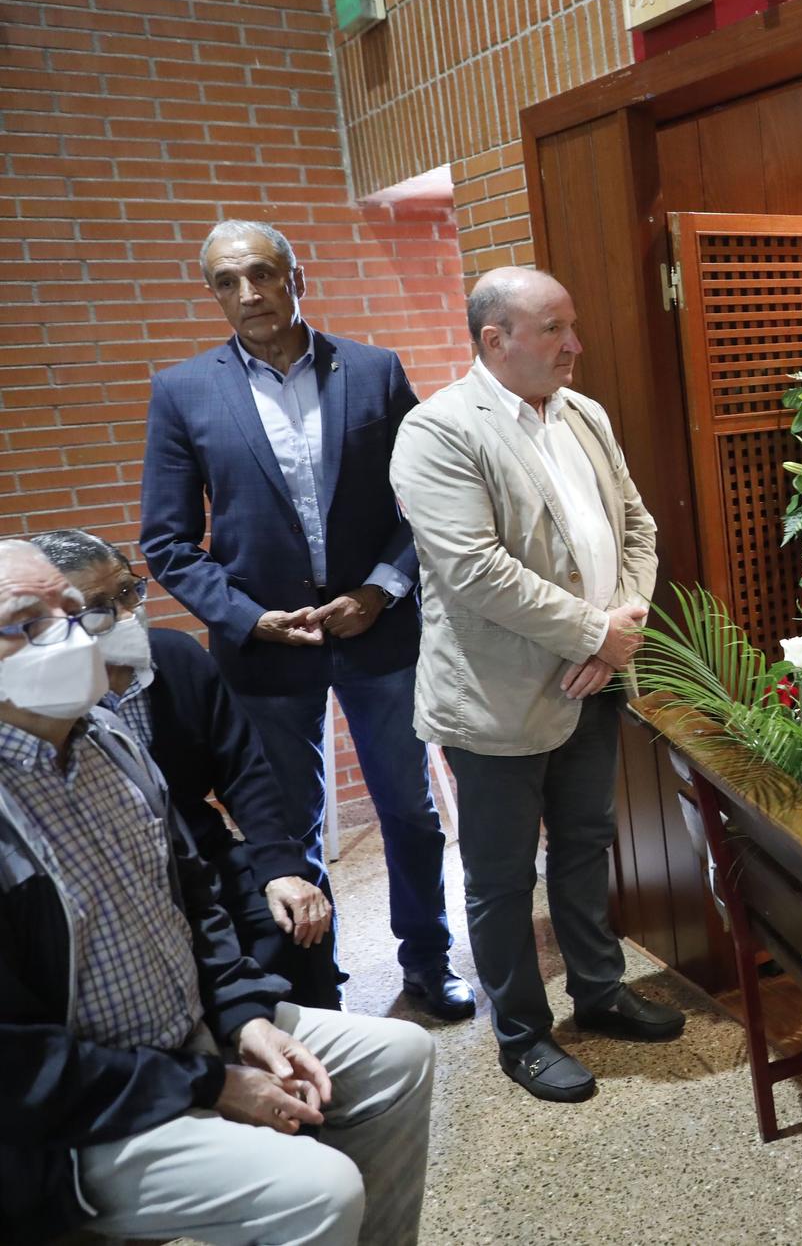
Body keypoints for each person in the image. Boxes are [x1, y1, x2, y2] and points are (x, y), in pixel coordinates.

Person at [0, 540, 435, 1245]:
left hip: (192, 1035)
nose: (76, 635)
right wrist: (211, 1084)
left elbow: (192, 892)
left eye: (75, 612)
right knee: (317, 1192)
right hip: (80, 1117)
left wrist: (241, 1016)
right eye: (27, 622)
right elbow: (21, 1072)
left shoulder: (108, 736)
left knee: (400, 1054)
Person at [139, 219, 470, 1019]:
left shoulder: (373, 370)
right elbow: (169, 541)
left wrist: (381, 589)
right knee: (288, 825)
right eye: (227, 281)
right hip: (266, 649)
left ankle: (427, 959)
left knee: (410, 808)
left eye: (261, 273)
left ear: (296, 276)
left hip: (379, 632)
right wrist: (250, 618)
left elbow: (426, 501)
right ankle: (320, 986)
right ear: (214, 293)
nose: (248, 293)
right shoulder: (184, 392)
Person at [390, 266, 678, 1102]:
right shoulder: (437, 430)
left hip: (596, 676)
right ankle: (522, 1033)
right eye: (555, 329)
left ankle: (599, 989)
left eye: (571, 324)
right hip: (496, 697)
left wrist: (620, 629)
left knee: (587, 844)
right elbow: (474, 570)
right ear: (495, 340)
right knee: (503, 874)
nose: (576, 344)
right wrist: (596, 632)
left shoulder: (584, 413)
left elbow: (637, 527)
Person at [31, 527, 340, 1004]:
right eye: (101, 605)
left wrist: (280, 868)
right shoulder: (39, 702)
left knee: (298, 916)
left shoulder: (176, 658)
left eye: (129, 590)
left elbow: (244, 770)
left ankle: (324, 1042)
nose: (128, 613)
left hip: (203, 852)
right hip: (112, 877)